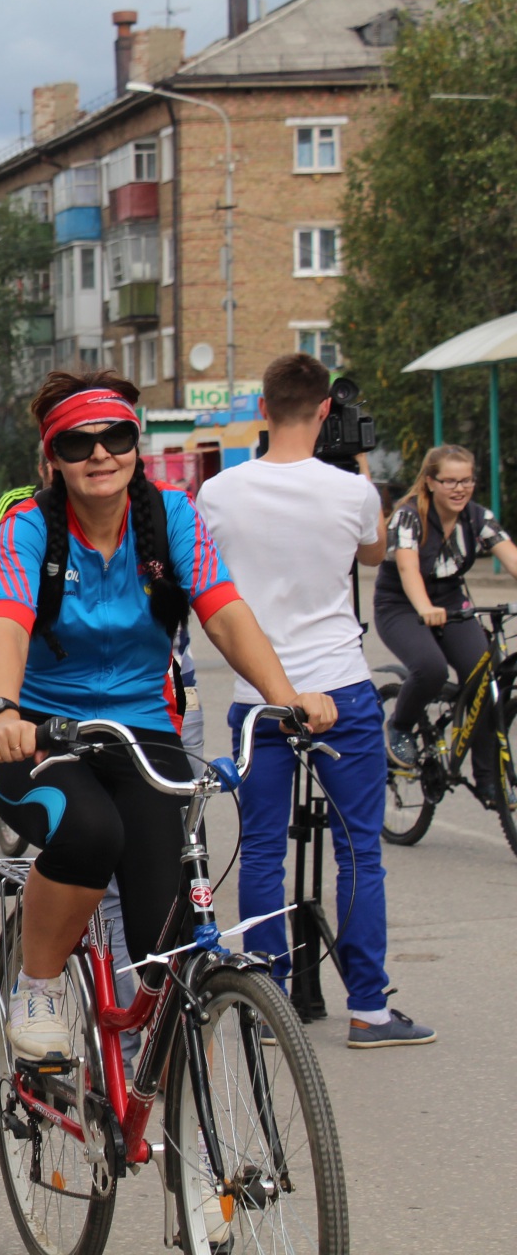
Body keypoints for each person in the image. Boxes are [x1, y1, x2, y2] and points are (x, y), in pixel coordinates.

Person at [0, 372, 334, 1062]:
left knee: (161, 938)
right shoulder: (32, 526)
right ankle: (40, 984)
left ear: (136, 446)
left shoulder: (173, 517)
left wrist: (284, 695)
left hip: (146, 731)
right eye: (78, 443)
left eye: (115, 438)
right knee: (88, 831)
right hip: (44, 734)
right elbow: (9, 624)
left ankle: (182, 1118)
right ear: (53, 458)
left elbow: (225, 614)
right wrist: (2, 709)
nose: (99, 454)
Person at [197, 352, 435, 1049]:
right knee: (359, 849)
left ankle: (267, 1000)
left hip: (258, 692)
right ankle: (369, 1007)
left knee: (264, 848)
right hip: (340, 685)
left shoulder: (219, 493)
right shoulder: (351, 491)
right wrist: (355, 468)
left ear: (262, 410)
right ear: (326, 410)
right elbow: (372, 554)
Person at [374, 443, 517, 781]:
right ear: (430, 482)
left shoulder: (477, 517)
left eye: (466, 481)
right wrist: (425, 608)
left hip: (452, 603)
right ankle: (401, 726)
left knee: (484, 678)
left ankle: (488, 778)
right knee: (430, 668)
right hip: (402, 605)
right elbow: (409, 571)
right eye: (450, 481)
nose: (460, 489)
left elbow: (510, 556)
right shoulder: (409, 515)